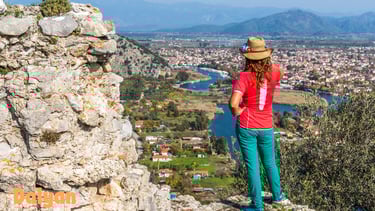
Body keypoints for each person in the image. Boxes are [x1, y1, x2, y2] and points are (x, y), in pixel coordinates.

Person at [229, 36, 290, 210]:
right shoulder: (276, 71)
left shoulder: (244, 77)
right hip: (266, 126)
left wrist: (238, 112)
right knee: (270, 162)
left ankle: (257, 205)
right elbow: (280, 71)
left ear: (247, 57)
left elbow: (233, 103)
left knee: (253, 165)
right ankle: (278, 196)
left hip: (247, 125)